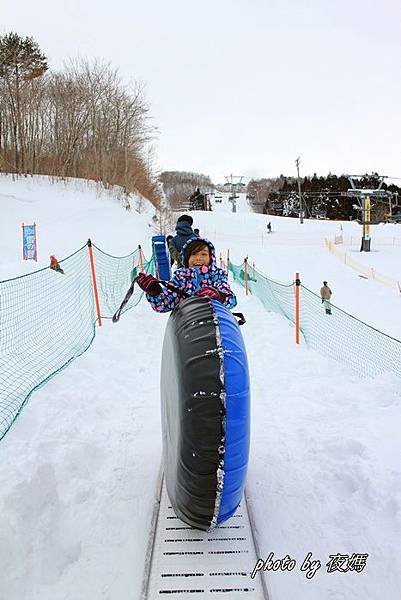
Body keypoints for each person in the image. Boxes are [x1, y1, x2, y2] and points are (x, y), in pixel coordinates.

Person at [136, 237, 237, 313]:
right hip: (188, 325)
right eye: (193, 254)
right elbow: (163, 304)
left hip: (214, 322)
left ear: (211, 258)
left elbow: (231, 300)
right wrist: (155, 292)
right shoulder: (181, 277)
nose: (198, 258)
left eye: (203, 254)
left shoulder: (217, 275)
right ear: (186, 259)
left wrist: (219, 296)